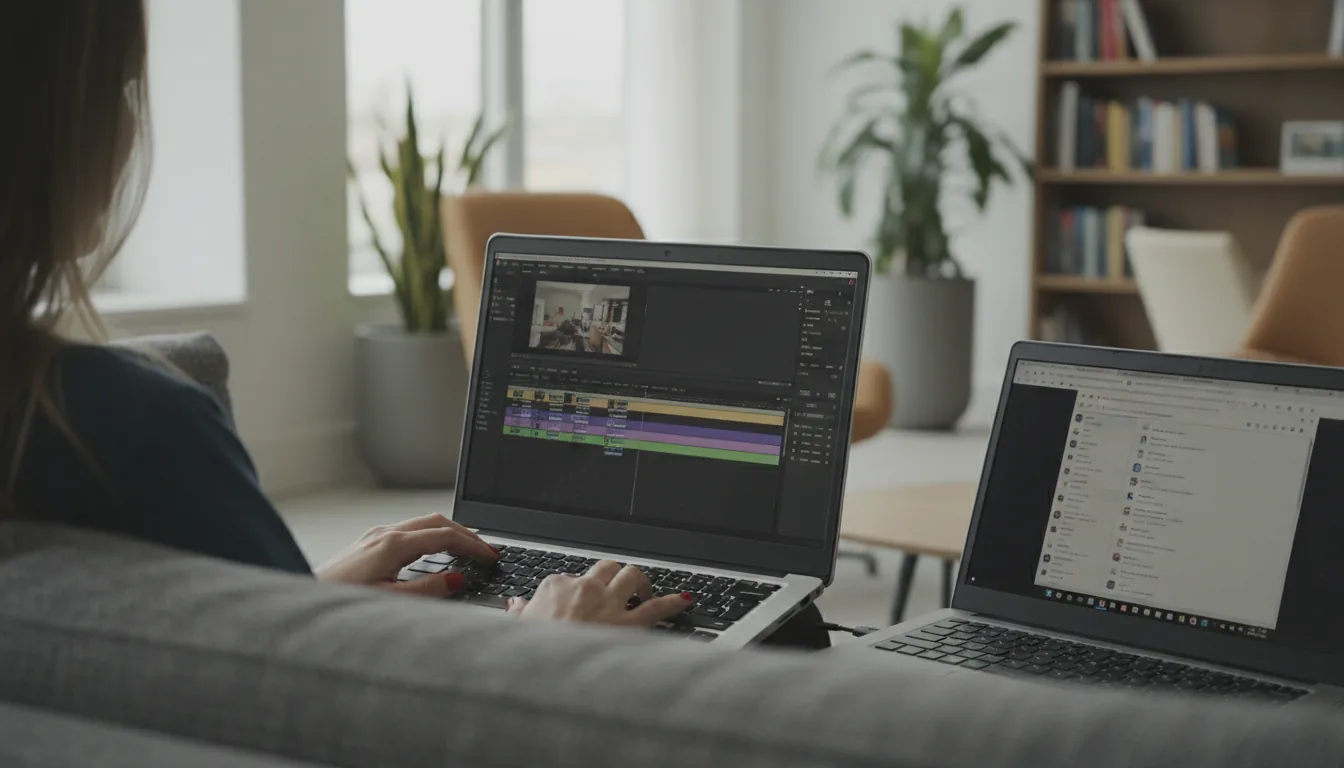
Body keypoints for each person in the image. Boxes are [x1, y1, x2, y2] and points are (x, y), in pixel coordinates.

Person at [0, 0, 690, 629]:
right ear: (59, 122)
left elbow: (231, 645)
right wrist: (548, 650)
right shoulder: (140, 427)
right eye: (125, 89)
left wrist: (303, 596)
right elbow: (301, 700)